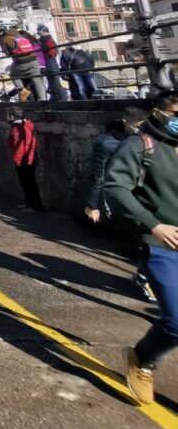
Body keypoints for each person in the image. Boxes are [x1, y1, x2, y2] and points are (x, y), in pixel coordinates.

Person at [106, 93, 178, 405]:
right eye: (175, 111)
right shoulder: (139, 146)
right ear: (158, 112)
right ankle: (143, 358)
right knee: (176, 320)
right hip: (158, 243)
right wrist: (152, 224)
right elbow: (115, 187)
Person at [85, 107, 154, 302]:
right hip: (128, 197)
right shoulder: (107, 143)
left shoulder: (152, 140)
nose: (142, 127)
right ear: (127, 122)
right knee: (147, 241)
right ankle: (144, 277)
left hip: (151, 196)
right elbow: (98, 175)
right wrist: (92, 204)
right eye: (139, 124)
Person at [7, 109, 43, 211]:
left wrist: (29, 159)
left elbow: (30, 144)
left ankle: (35, 206)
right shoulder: (15, 126)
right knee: (24, 181)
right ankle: (28, 202)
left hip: (25, 159)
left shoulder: (24, 126)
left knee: (30, 182)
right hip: (19, 157)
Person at [0, 26, 47, 101]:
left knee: (14, 75)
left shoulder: (4, 38)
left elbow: (8, 53)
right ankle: (44, 101)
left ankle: (23, 94)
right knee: (38, 82)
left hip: (21, 63)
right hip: (34, 61)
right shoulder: (23, 34)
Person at [36, 25, 67, 102]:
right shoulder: (46, 40)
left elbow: (53, 53)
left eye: (39, 31)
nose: (38, 33)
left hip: (51, 63)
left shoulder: (49, 40)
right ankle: (55, 97)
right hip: (49, 62)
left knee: (55, 81)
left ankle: (62, 97)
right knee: (51, 80)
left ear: (42, 31)